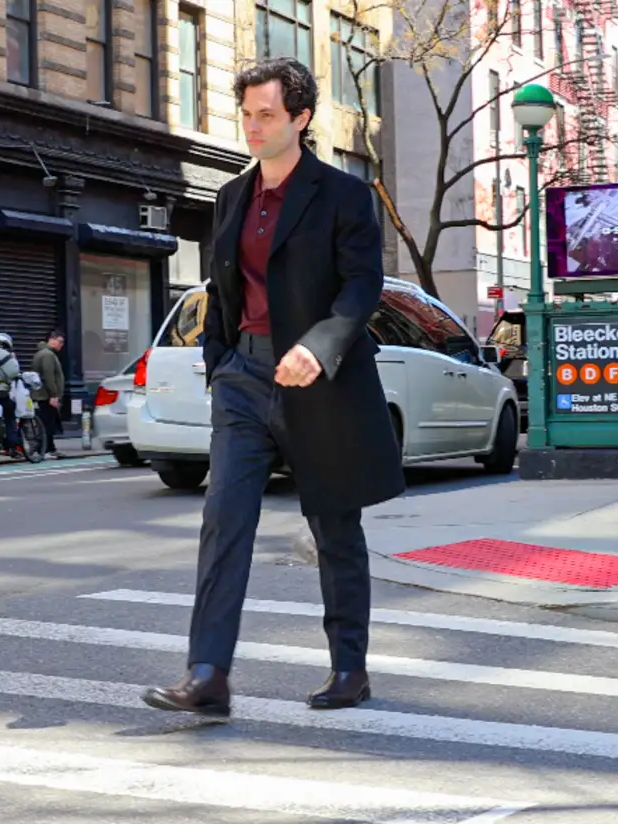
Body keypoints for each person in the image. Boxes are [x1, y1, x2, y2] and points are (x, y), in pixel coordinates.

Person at [142, 57, 405, 718]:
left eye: (266, 115)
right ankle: (208, 675)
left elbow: (360, 287)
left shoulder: (343, 195)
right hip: (242, 377)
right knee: (224, 518)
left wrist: (318, 348)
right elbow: (221, 288)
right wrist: (219, 356)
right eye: (248, 114)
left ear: (301, 118)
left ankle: (350, 668)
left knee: (334, 524)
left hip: (320, 380)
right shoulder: (232, 196)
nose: (253, 127)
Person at [31, 329, 65, 458]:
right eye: (59, 341)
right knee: (46, 423)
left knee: (48, 423)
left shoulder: (45, 353)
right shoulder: (47, 355)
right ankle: (44, 450)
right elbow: (48, 375)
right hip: (45, 395)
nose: (61, 345)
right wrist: (54, 394)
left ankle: (50, 448)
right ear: (51, 339)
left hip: (43, 394)